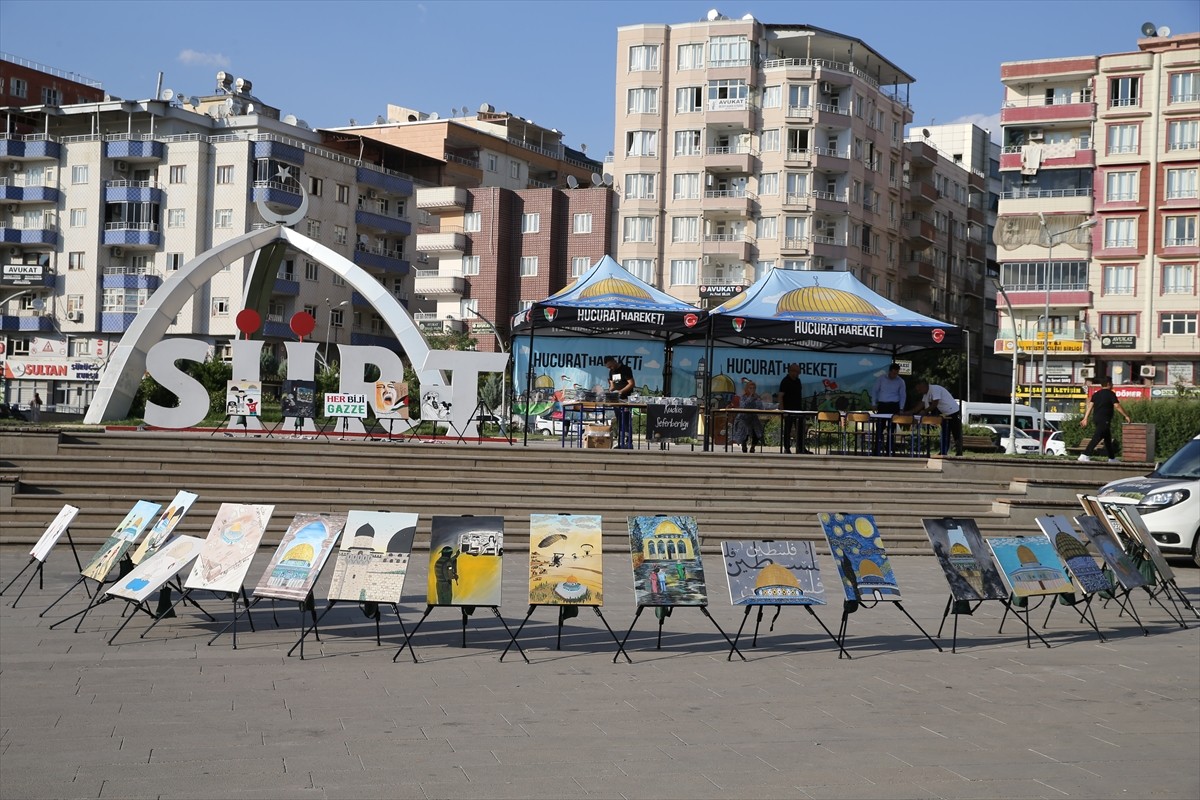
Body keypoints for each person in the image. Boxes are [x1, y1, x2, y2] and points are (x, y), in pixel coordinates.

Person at [1080, 377, 1130, 462]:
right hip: (1104, 419)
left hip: (1096, 418)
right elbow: (1117, 406)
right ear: (1108, 384)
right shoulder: (1110, 394)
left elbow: (1090, 406)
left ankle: (1112, 458)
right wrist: (1126, 415)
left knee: (1107, 438)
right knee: (1097, 437)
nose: (1113, 385)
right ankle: (1085, 454)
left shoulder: (1096, 394)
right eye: (1112, 383)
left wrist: (1085, 418)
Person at [909, 379, 963, 456]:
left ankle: (959, 451)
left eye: (920, 389)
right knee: (945, 433)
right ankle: (943, 451)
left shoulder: (935, 389)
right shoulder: (926, 394)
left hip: (953, 412)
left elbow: (934, 404)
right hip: (944, 414)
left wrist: (925, 411)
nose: (919, 392)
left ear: (924, 386)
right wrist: (912, 411)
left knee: (956, 432)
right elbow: (922, 404)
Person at [869, 364, 906, 455]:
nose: (894, 375)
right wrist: (874, 403)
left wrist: (901, 408)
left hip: (894, 406)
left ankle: (889, 450)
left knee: (892, 429)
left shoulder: (900, 381)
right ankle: (877, 450)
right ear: (889, 371)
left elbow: (902, 395)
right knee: (880, 428)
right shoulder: (881, 379)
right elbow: (875, 390)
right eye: (893, 373)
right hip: (882, 405)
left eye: (896, 373)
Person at [604, 356, 636, 448]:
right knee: (619, 420)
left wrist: (621, 391)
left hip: (625, 399)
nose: (611, 368)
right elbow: (612, 386)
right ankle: (621, 441)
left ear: (614, 361)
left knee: (626, 420)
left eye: (611, 366)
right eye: (608, 367)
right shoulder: (611, 372)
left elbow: (631, 383)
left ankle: (629, 442)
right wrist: (609, 392)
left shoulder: (625, 369)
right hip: (616, 401)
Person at [777, 363, 808, 454]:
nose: (797, 374)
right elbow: (780, 396)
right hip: (788, 409)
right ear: (791, 371)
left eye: (799, 372)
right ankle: (787, 448)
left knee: (800, 430)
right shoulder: (785, 381)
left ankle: (801, 448)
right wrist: (783, 411)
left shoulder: (798, 381)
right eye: (796, 372)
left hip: (798, 409)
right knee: (788, 429)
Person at [731, 380, 766, 453]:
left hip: (753, 418)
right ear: (747, 389)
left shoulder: (756, 397)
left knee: (757, 431)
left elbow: (761, 407)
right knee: (744, 429)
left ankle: (753, 447)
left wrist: (758, 400)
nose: (752, 390)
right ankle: (744, 445)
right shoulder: (743, 397)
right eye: (750, 388)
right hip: (743, 418)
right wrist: (750, 397)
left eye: (753, 388)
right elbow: (743, 406)